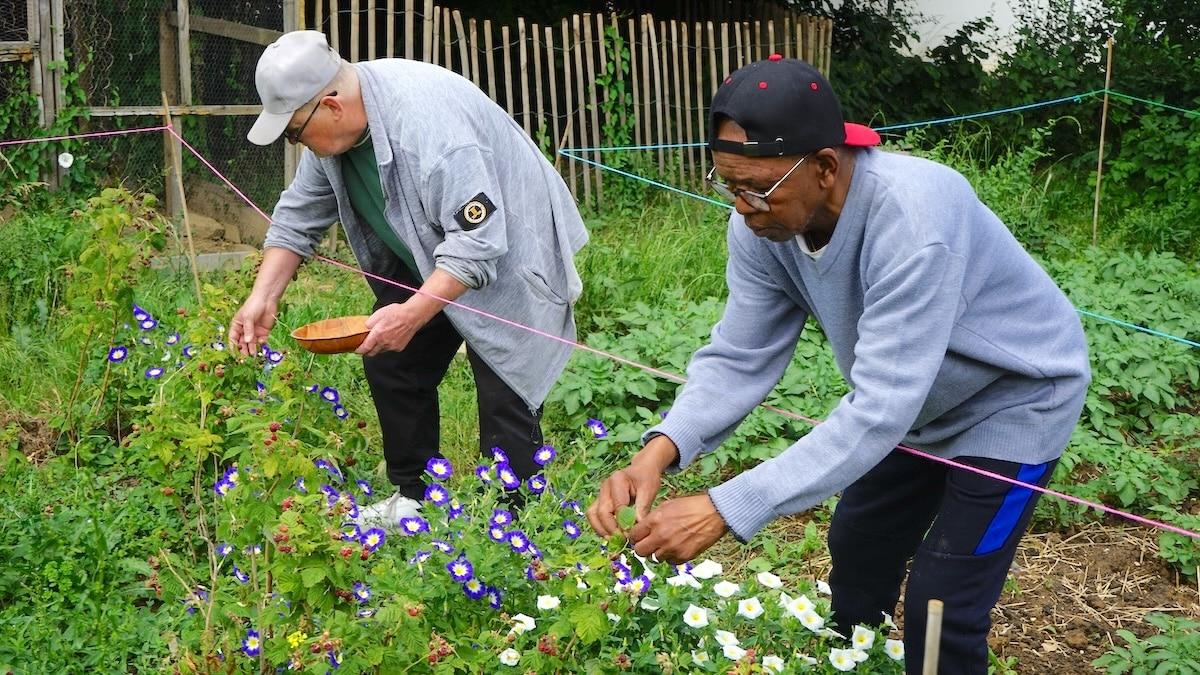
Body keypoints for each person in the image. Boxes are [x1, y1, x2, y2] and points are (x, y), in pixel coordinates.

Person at [586, 55, 1090, 673]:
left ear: (825, 166)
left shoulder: (914, 220)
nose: (743, 208)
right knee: (859, 548)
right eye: (729, 186)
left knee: (941, 602)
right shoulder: (761, 227)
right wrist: (659, 449)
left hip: (1013, 402)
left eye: (758, 189)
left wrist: (726, 506)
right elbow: (740, 355)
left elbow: (879, 408)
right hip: (917, 406)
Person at [232, 30, 588, 527]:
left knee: (505, 382)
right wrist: (261, 298)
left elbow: (478, 245)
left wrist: (414, 312)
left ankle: (514, 528)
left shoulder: (430, 130)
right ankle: (413, 496)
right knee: (390, 354)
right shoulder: (334, 139)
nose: (296, 143)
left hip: (505, 252)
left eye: (294, 131)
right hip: (426, 253)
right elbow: (297, 215)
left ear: (330, 106)